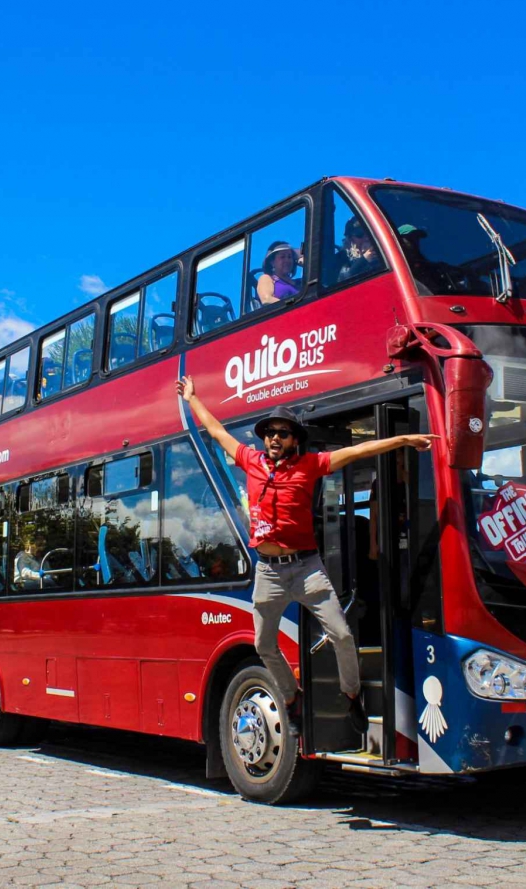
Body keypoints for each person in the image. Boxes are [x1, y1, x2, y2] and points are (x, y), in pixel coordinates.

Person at [175, 375, 436, 733]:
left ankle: (351, 694)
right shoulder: (250, 460)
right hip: (268, 572)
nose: (274, 439)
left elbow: (359, 451)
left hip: (307, 568)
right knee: (264, 644)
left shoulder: (310, 465)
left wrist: (405, 439)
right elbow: (217, 431)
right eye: (270, 433)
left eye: (282, 433)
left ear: (294, 439)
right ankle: (291, 697)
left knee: (343, 636)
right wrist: (192, 398)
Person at [255, 241, 301, 305]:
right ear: (272, 262)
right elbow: (267, 300)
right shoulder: (267, 278)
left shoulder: (301, 282)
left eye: (289, 257)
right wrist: (293, 305)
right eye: (282, 257)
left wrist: (302, 262)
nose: (287, 260)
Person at [336, 217, 380, 282]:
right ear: (351, 240)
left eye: (369, 232)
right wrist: (364, 259)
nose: (367, 237)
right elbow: (343, 279)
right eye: (360, 234)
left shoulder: (387, 249)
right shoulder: (346, 262)